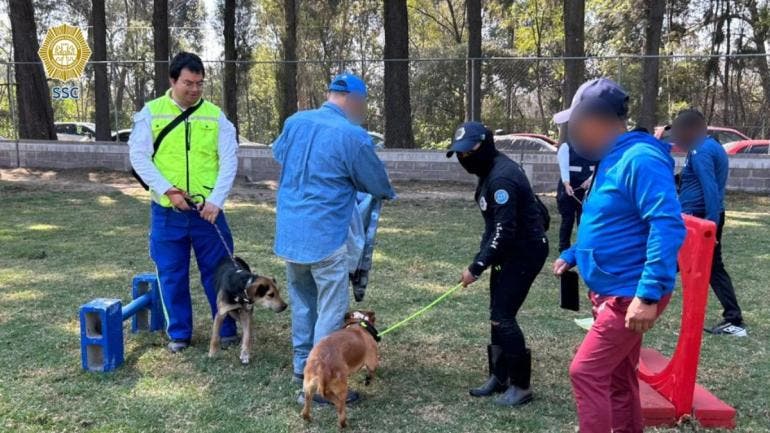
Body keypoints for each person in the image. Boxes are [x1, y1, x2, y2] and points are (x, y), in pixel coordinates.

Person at [551, 78, 686, 433]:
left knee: (586, 371)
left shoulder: (640, 159)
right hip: (615, 290)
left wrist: (648, 293)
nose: (573, 134)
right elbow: (612, 221)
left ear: (597, 120)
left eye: (576, 124)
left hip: (629, 294)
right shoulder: (613, 159)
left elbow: (667, 224)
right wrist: (576, 252)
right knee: (617, 376)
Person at [272, 73, 396, 404]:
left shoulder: (296, 121)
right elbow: (378, 184)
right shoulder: (353, 136)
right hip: (325, 237)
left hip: (290, 235)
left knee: (303, 302)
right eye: (363, 105)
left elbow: (279, 154)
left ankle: (303, 366)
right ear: (354, 100)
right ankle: (322, 382)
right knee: (330, 308)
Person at [128, 52, 239, 353]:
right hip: (167, 212)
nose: (194, 89)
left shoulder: (216, 117)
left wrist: (216, 201)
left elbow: (229, 161)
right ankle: (179, 333)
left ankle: (226, 328)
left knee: (219, 273)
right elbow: (139, 157)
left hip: (208, 212)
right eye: (188, 83)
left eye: (200, 84)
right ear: (172, 80)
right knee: (171, 274)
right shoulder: (151, 113)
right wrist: (168, 191)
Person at [448, 121, 549, 407]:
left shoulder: (501, 179)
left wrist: (476, 267)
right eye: (460, 153)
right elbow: (492, 227)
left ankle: (521, 386)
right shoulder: (489, 171)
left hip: (525, 252)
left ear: (486, 145)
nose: (464, 158)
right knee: (496, 312)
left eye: (469, 152)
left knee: (503, 315)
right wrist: (481, 258)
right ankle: (499, 376)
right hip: (508, 251)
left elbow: (505, 232)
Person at [672, 108, 747, 337]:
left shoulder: (701, 151)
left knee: (707, 266)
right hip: (698, 216)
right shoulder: (708, 147)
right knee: (695, 265)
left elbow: (711, 190)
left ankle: (734, 320)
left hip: (701, 219)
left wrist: (710, 227)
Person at [556, 141, 595, 252]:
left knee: (583, 220)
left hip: (587, 188)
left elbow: (600, 165)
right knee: (567, 219)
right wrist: (567, 184)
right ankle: (564, 249)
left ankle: (583, 248)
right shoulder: (566, 146)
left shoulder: (596, 147)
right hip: (568, 187)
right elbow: (563, 167)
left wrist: (589, 180)